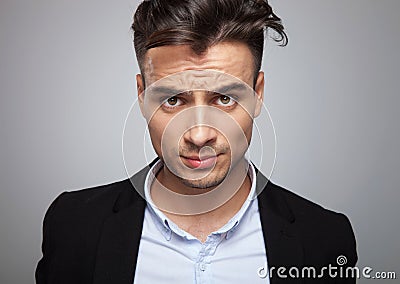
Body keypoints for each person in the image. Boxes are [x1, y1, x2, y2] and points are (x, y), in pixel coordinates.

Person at [36, 0, 358, 283]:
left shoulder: (326, 241)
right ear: (142, 95)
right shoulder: (72, 228)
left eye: (225, 98)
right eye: (174, 100)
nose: (199, 134)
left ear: (257, 94)